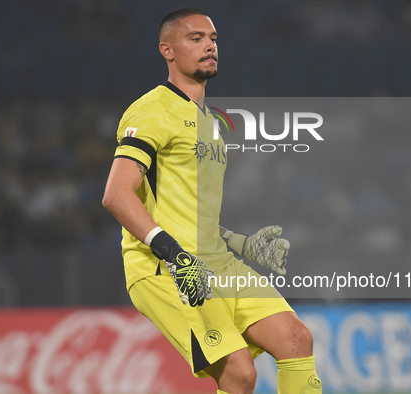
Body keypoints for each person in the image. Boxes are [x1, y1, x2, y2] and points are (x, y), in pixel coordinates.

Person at [102, 8, 321, 394]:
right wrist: (173, 254)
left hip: (216, 261)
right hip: (165, 267)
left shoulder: (212, 124)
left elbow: (188, 210)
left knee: (295, 338)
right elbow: (116, 195)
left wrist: (241, 243)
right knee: (239, 373)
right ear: (166, 50)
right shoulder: (152, 110)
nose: (209, 45)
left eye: (214, 39)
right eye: (196, 38)